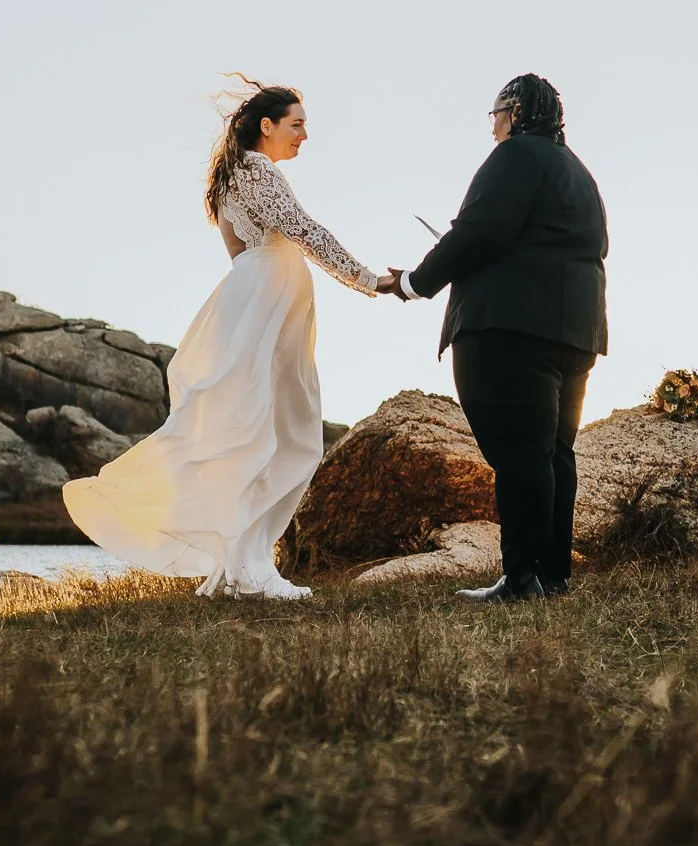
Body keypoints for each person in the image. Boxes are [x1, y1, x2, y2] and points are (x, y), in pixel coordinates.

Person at [63, 82, 379, 599]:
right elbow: (302, 230)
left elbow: (249, 247)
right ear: (267, 126)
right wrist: (369, 279)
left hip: (260, 301)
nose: (305, 135)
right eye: (297, 125)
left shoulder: (235, 175)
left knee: (265, 428)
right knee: (277, 430)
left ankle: (241, 566)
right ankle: (251, 569)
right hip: (264, 306)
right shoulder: (257, 170)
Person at [383, 74, 608, 602]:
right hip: (575, 333)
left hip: (511, 329)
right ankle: (552, 575)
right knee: (554, 454)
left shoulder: (516, 156)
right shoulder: (579, 173)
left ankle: (521, 579)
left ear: (514, 111)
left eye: (494, 114)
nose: (493, 128)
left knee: (520, 456)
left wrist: (413, 284)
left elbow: (481, 230)